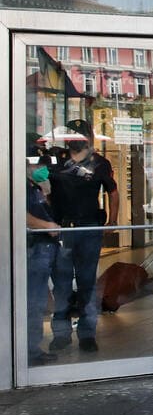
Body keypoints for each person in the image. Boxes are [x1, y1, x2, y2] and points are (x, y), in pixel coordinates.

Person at [48, 119, 118, 354]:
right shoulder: (55, 160)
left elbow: (113, 192)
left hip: (88, 229)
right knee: (62, 285)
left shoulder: (99, 163)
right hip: (61, 229)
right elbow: (43, 189)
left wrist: (113, 221)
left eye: (80, 135)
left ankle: (87, 335)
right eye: (72, 135)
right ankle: (61, 334)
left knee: (87, 283)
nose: (76, 139)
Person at [26, 150, 60, 365]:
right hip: (35, 249)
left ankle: (32, 348)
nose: (42, 170)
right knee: (33, 301)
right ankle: (30, 351)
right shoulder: (19, 188)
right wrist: (47, 226)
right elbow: (22, 214)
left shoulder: (33, 188)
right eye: (39, 165)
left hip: (44, 249)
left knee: (38, 300)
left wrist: (45, 194)